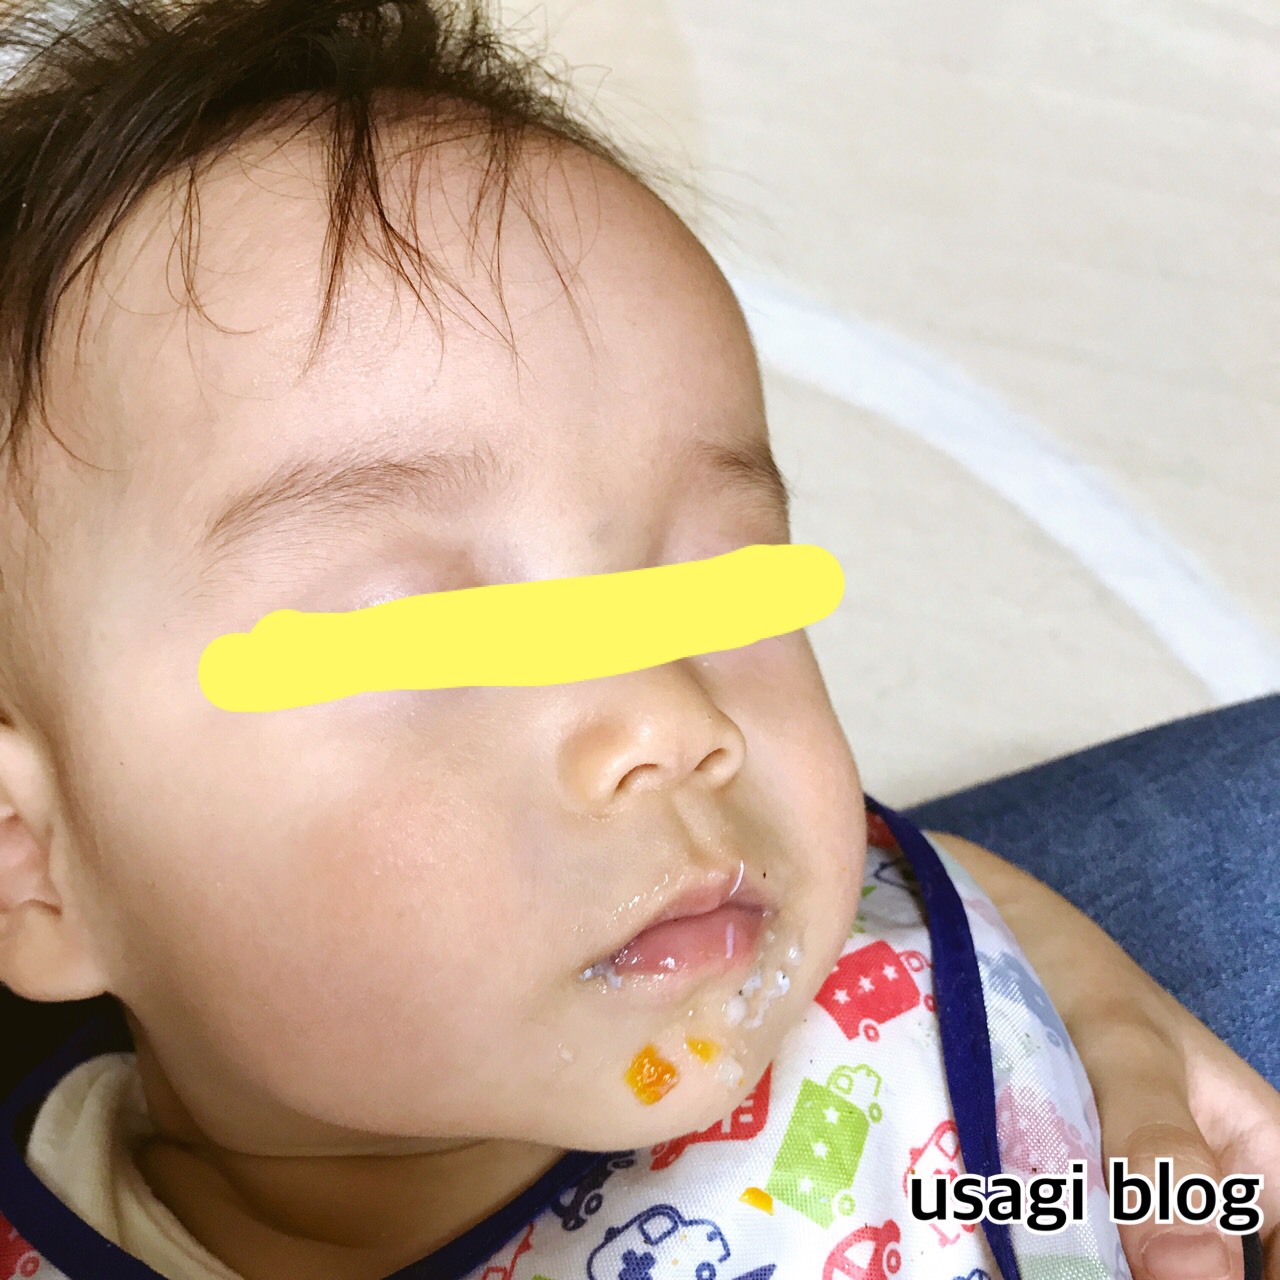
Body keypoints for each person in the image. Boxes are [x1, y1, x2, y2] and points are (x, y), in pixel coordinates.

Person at [0, 2, 1274, 1278]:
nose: (673, 715)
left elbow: (888, 885)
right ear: (29, 862)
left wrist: (1049, 971)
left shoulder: (855, 976)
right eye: (421, 634)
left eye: (712, 586)